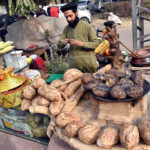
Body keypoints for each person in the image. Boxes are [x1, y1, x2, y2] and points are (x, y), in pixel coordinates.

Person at [58, 3, 99, 73]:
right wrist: (64, 42)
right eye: (66, 17)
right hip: (74, 67)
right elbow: (59, 45)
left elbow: (96, 44)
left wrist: (81, 43)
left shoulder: (87, 26)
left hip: (89, 65)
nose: (69, 19)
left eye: (70, 16)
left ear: (76, 13)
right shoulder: (66, 29)